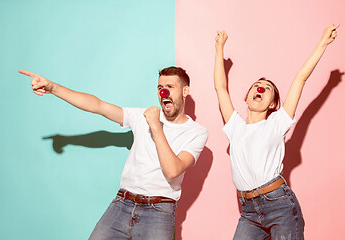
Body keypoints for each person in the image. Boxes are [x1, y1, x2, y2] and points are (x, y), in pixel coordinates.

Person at [19, 66, 208, 240]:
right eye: (160, 87)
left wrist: (155, 127)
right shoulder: (141, 116)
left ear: (184, 91)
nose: (163, 92)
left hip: (159, 211)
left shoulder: (196, 132)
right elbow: (98, 106)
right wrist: (53, 88)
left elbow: (172, 170)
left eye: (170, 86)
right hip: (122, 204)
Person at [214, 24, 338, 240]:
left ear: (273, 104)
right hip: (249, 211)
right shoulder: (235, 127)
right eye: (256, 85)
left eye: (267, 88)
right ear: (247, 96)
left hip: (279, 204)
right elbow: (220, 88)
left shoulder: (277, 123)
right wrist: (219, 50)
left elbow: (300, 78)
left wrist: (323, 44)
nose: (260, 88)